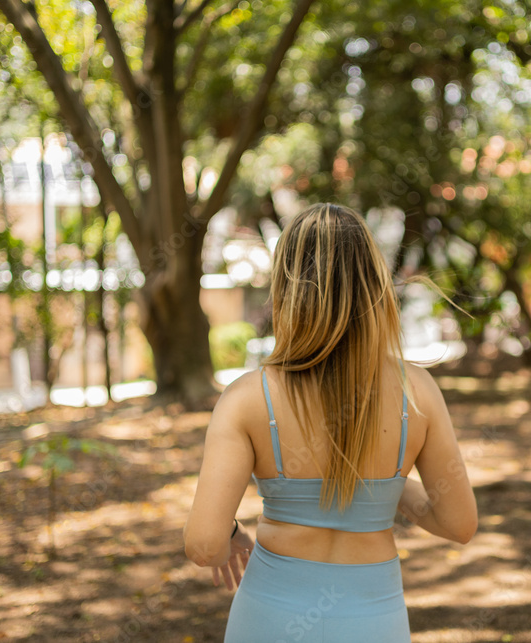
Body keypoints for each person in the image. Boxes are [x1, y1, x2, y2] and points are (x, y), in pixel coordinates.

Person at [183, 203, 478, 642]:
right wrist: (383, 490)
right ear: (372, 281)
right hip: (373, 623)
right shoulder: (417, 392)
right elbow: (459, 524)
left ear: (285, 286)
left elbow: (205, 547)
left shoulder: (246, 398)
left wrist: (230, 531)